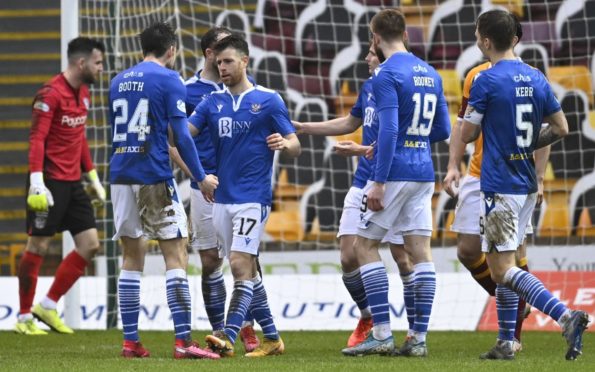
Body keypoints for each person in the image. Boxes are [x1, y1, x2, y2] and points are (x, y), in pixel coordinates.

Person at [460, 9, 587, 360]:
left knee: (501, 269)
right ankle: (506, 341)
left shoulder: (485, 80)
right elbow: (561, 128)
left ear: (485, 41)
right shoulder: (536, 76)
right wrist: (527, 142)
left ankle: (566, 315)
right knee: (511, 259)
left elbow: (469, 133)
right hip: (527, 183)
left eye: (476, 35)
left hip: (499, 183)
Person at [341, 8, 450, 357]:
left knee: (364, 247)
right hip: (423, 172)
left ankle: (382, 333)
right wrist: (416, 140)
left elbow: (387, 130)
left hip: (396, 171)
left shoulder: (385, 74)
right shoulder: (430, 72)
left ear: (374, 37)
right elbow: (444, 130)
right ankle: (418, 338)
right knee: (421, 254)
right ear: (405, 34)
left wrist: (379, 182)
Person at [293, 43, 417, 348]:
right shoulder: (370, 87)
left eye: (372, 53)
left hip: (393, 179)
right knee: (349, 257)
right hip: (363, 179)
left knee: (403, 258)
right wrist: (304, 127)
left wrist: (360, 150)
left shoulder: (399, 87)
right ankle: (369, 317)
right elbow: (351, 122)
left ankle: (414, 333)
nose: (366, 58)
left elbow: (398, 139)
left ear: (384, 57)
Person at [108, 21, 219, 359]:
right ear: (171, 49)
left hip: (119, 174)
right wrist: (200, 177)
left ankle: (130, 342)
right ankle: (184, 342)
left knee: (131, 256)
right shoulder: (169, 79)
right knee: (176, 253)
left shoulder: (117, 81)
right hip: (152, 173)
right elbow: (181, 136)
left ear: (143, 48)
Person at [187, 34, 301, 357]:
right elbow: (183, 134)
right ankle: (273, 339)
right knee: (248, 272)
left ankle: (227, 333)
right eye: (218, 62)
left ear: (245, 61)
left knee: (238, 264)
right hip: (221, 200)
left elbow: (295, 144)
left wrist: (284, 144)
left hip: (254, 197)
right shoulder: (212, 103)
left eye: (228, 61)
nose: (222, 67)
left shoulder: (268, 100)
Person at [442, 16, 551, 352]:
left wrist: (541, 176)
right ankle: (520, 303)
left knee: (511, 253)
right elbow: (462, 125)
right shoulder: (476, 76)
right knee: (468, 251)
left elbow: (542, 133)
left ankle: (511, 337)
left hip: (511, 176)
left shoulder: (532, 78)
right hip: (478, 173)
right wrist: (452, 166)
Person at [170, 27, 260, 353]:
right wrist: (198, 176)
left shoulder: (246, 91)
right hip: (204, 187)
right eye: (221, 50)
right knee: (210, 260)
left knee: (244, 258)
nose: (225, 60)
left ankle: (246, 329)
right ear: (209, 54)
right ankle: (219, 330)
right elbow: (175, 142)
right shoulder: (187, 90)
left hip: (240, 188)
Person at [15, 37, 106, 336]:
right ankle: (25, 315)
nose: (101, 69)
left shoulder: (84, 93)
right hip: (48, 181)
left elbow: (78, 137)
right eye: (98, 63)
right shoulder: (50, 93)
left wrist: (91, 177)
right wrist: (37, 183)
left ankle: (49, 306)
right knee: (39, 245)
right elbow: (37, 139)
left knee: (90, 244)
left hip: (73, 182)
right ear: (81, 63)